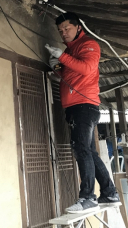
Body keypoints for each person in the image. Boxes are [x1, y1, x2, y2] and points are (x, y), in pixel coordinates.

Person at [46, 12, 118, 213]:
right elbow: (70, 74)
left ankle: (88, 197)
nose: (63, 33)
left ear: (78, 27)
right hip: (76, 106)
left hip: (83, 105)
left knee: (81, 149)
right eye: (60, 30)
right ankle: (109, 193)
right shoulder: (71, 50)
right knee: (88, 151)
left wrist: (61, 56)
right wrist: (57, 67)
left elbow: (87, 68)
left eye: (66, 28)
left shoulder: (88, 44)